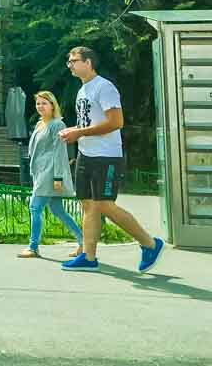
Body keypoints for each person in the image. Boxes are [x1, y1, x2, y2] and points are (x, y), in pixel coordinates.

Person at [58, 46, 165, 272]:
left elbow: (116, 122)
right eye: (69, 61)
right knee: (88, 205)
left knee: (105, 205)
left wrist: (79, 133)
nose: (70, 65)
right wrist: (73, 131)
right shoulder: (83, 90)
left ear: (88, 63)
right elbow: (90, 123)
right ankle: (89, 257)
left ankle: (150, 244)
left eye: (74, 60)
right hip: (86, 154)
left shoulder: (104, 88)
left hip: (106, 156)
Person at [16, 91, 83, 259]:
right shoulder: (40, 124)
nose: (40, 106)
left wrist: (58, 178)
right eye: (38, 103)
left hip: (50, 173)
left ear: (52, 105)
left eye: (44, 103)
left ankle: (33, 247)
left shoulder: (57, 125)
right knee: (58, 210)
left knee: (35, 206)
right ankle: (84, 242)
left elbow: (60, 153)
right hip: (41, 172)